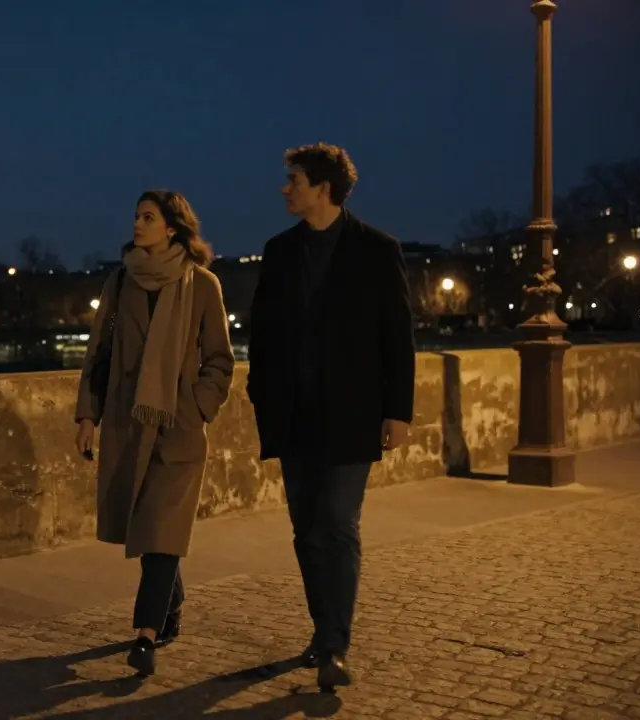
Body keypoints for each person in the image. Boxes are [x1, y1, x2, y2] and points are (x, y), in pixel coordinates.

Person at [246, 143, 415, 690]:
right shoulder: (278, 251)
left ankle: (334, 646)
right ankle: (324, 633)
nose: (284, 188)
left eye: (292, 179)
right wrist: (259, 394)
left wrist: (397, 412)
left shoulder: (376, 249)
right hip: (294, 414)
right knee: (306, 531)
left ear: (322, 188)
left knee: (338, 525)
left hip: (351, 412)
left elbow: (398, 336)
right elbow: (263, 335)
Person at [74, 189, 235, 677]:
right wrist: (87, 417)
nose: (137, 224)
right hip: (129, 424)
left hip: (177, 429)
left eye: (147, 217)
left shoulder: (202, 284)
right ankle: (171, 604)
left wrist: (196, 407)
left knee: (160, 529)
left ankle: (144, 633)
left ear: (171, 227)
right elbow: (98, 355)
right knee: (150, 532)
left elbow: (220, 360)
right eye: (136, 216)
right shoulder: (120, 282)